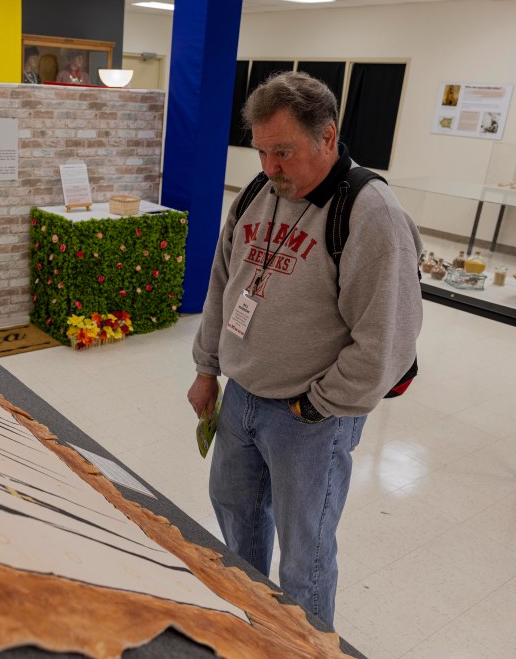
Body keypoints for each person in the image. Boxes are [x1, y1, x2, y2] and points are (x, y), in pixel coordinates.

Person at [187, 71, 422, 629]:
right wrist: (207, 368)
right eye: (262, 151)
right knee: (236, 521)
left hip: (310, 417)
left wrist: (318, 405)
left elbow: (385, 341)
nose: (270, 167)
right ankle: (252, 623)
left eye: (284, 151)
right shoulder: (256, 193)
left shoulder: (370, 213)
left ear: (327, 137)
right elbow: (224, 285)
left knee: (304, 557)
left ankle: (304, 644)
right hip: (241, 397)